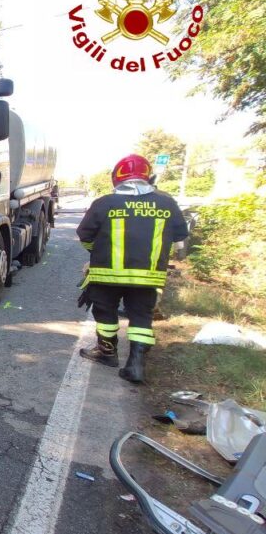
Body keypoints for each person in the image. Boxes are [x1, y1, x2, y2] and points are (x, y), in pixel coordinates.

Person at [77, 154, 189, 383]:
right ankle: (136, 365)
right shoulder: (166, 203)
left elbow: (85, 235)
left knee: (105, 311)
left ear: (116, 178)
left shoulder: (104, 203)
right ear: (148, 176)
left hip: (107, 274)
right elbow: (179, 236)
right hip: (147, 277)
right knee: (141, 315)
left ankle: (107, 352)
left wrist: (97, 252)